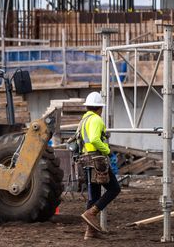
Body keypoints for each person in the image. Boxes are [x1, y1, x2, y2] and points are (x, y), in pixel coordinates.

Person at [78, 91, 121, 240]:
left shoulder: (84, 120)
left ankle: (90, 232)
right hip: (97, 159)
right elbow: (96, 139)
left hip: (86, 159)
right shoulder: (96, 119)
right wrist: (107, 150)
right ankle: (91, 213)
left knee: (94, 195)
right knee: (115, 188)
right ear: (99, 108)